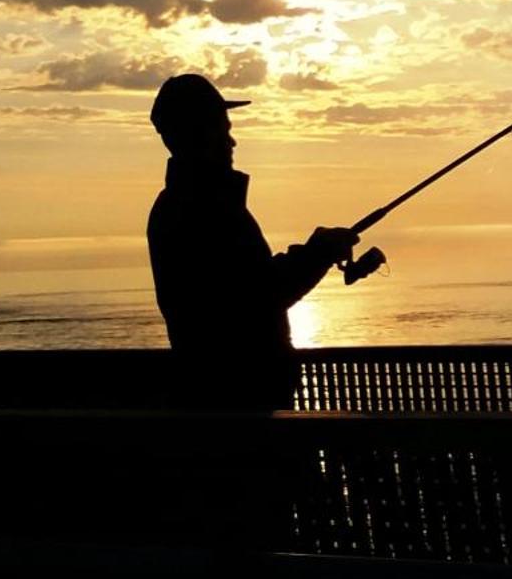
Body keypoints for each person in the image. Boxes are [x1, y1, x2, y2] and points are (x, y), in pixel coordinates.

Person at [146, 72, 359, 411]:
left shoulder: (178, 206)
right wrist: (319, 253)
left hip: (221, 399)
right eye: (223, 130)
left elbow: (249, 284)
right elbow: (259, 294)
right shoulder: (206, 208)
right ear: (197, 133)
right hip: (242, 406)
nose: (232, 142)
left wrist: (315, 252)